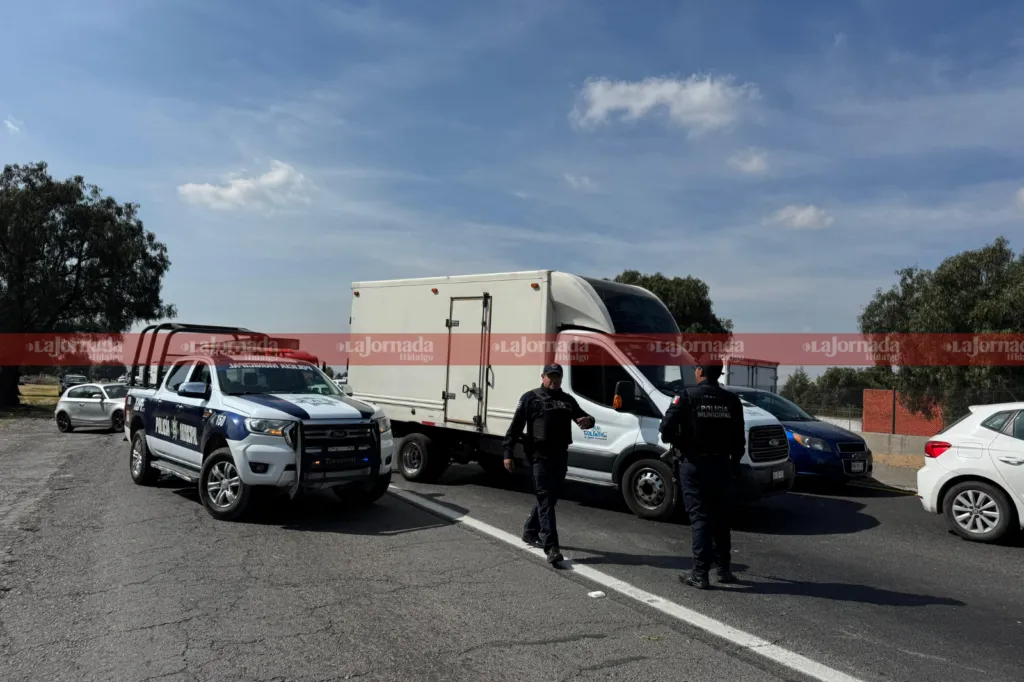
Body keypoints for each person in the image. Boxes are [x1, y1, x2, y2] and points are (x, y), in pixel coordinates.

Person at [659, 353, 746, 589]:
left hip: (694, 465)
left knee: (700, 518)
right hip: (722, 466)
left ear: (700, 372)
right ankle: (723, 569)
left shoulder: (687, 395)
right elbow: (740, 439)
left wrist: (678, 440)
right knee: (721, 518)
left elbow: (665, 428)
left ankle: (699, 573)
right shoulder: (732, 400)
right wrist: (732, 464)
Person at [502, 363, 595, 565]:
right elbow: (515, 427)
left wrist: (588, 421)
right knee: (544, 497)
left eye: (558, 377)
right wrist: (508, 453)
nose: (554, 380)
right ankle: (552, 547)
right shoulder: (530, 398)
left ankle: (530, 530)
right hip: (539, 455)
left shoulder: (567, 400)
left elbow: (583, 417)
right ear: (543, 377)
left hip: (560, 455)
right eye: (551, 376)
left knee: (551, 498)